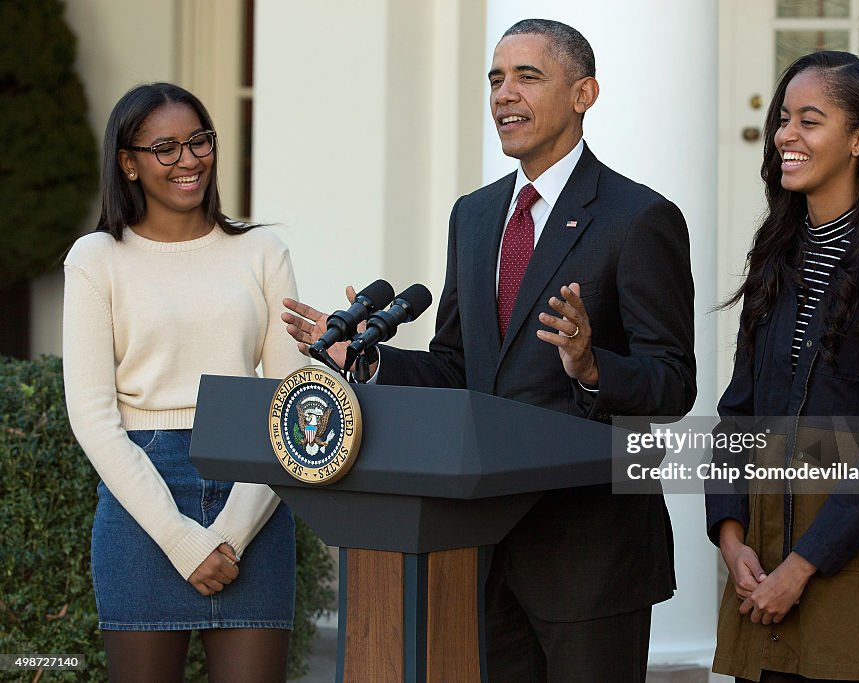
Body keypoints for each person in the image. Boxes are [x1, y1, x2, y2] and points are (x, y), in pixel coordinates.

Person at [282, 18, 696, 682]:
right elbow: (457, 366)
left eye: (528, 76)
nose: (505, 94)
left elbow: (673, 383)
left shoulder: (638, 218)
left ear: (585, 93)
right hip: (481, 548)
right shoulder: (473, 217)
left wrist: (592, 367)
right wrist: (366, 360)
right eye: (496, 79)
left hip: (590, 558)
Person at [705, 51, 859, 682]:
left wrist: (802, 567)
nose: (786, 135)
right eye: (784, 119)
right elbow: (738, 411)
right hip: (761, 558)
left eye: (810, 121)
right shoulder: (777, 262)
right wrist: (731, 535)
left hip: (854, 565)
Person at [63, 83, 305, 683]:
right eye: (164, 148)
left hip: (256, 484)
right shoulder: (96, 259)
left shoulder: (262, 251)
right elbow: (94, 418)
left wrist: (231, 533)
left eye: (198, 141)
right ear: (128, 162)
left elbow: (295, 403)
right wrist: (180, 538)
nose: (188, 160)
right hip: (142, 498)